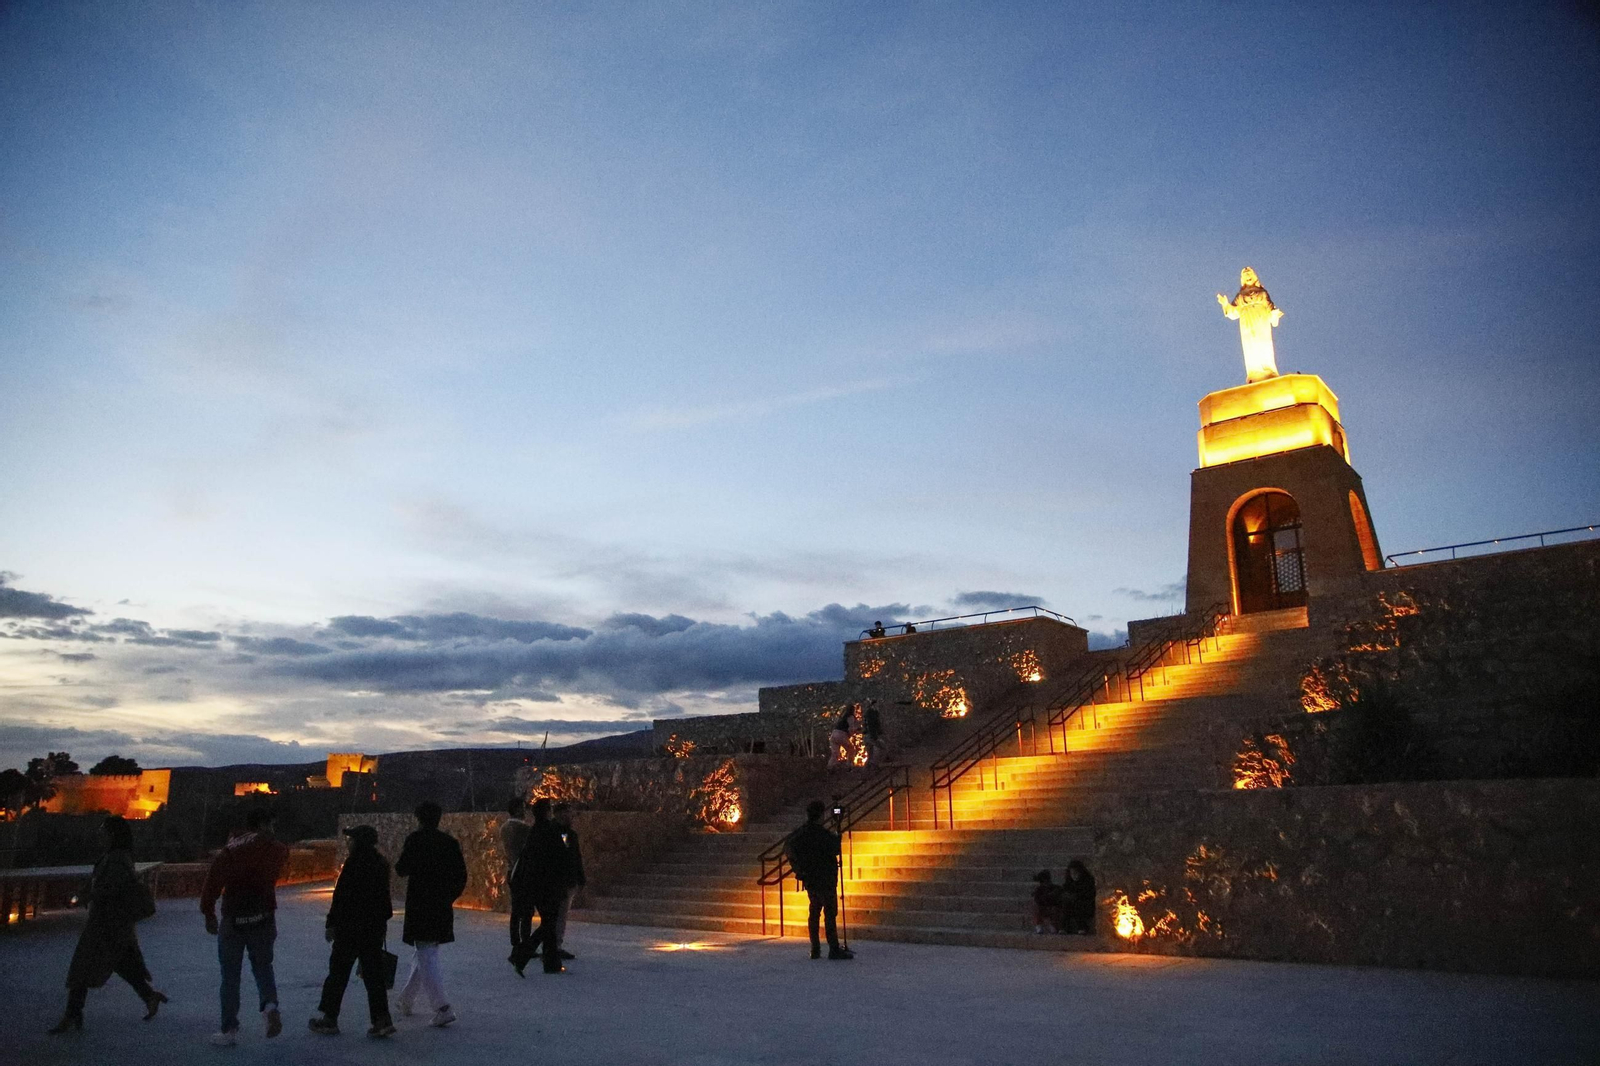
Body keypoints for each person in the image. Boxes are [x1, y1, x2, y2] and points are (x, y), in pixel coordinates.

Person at [48, 816, 167, 1034]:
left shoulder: (117, 860)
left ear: (113, 835)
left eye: (103, 831)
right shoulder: (114, 858)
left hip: (108, 923)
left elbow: (112, 888)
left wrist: (87, 896)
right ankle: (148, 996)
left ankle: (73, 1014)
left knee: (83, 967)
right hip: (110, 923)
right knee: (119, 962)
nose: (99, 835)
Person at [201, 807, 289, 1047]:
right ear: (262, 824)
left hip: (233, 918)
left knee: (230, 976)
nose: (273, 830)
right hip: (263, 917)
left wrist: (208, 913)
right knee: (263, 966)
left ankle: (229, 1029)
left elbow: (212, 882)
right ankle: (270, 1006)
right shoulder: (275, 848)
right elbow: (282, 855)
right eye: (271, 825)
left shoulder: (230, 850)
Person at [308, 825, 395, 1038]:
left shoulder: (353, 864)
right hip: (372, 929)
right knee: (374, 977)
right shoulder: (381, 864)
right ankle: (381, 1020)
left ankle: (329, 1018)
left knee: (338, 975)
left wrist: (331, 923)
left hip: (349, 929)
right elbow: (384, 902)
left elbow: (340, 898)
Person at [394, 801, 468, 1027]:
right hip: (441, 905)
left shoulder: (415, 840)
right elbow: (461, 876)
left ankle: (442, 1007)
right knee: (426, 951)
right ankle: (406, 999)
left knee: (425, 952)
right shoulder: (449, 843)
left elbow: (401, 869)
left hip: (420, 904)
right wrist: (448, 897)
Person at [509, 799, 573, 975]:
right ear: (547, 812)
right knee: (548, 924)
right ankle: (522, 955)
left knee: (549, 925)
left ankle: (551, 963)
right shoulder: (552, 831)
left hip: (535, 886)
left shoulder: (533, 832)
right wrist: (565, 832)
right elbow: (565, 849)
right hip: (550, 886)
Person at [784, 800, 853, 960]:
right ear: (821, 815)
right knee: (829, 913)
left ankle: (815, 948)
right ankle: (833, 948)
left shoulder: (801, 833)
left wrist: (799, 869)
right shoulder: (822, 834)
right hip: (825, 878)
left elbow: (789, 847)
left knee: (814, 911)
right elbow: (835, 849)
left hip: (810, 878)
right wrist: (838, 829)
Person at [499, 798, 532, 965]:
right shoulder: (523, 828)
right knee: (526, 911)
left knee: (516, 909)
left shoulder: (504, 828)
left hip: (512, 871)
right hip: (524, 872)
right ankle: (525, 943)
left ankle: (515, 941)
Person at [551, 803, 586, 961]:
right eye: (566, 813)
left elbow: (575, 857)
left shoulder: (570, 834)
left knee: (561, 915)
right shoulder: (553, 832)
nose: (570, 816)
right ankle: (552, 946)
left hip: (568, 881)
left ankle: (556, 944)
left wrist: (580, 877)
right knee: (556, 915)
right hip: (557, 881)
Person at [1061, 860, 1096, 935]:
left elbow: (1089, 894)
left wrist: (1077, 896)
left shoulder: (1087, 881)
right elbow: (1065, 890)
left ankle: (1082, 927)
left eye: (1076, 873)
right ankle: (1065, 927)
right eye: (1072, 873)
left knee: (1077, 904)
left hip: (1085, 904)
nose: (1074, 875)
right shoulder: (1069, 882)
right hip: (1071, 904)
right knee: (1066, 904)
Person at [1031, 870, 1064, 934]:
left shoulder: (1055, 888)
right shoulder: (1039, 890)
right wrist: (1046, 897)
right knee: (1036, 908)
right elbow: (1038, 900)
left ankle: (1053, 925)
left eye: (1047, 881)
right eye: (1044, 882)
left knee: (1055, 909)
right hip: (1043, 907)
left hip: (1053, 907)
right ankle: (1039, 925)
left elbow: (1060, 893)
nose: (1046, 883)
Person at [826, 706, 856, 771]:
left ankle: (830, 767)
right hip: (841, 734)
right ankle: (849, 766)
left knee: (835, 753)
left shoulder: (842, 717)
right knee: (851, 749)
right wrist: (851, 734)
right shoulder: (850, 717)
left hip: (833, 734)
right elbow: (851, 728)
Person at [863, 702, 886, 767]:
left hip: (868, 734)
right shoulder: (871, 713)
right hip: (870, 735)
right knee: (880, 747)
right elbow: (871, 725)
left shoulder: (871, 713)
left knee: (870, 752)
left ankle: (869, 767)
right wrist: (874, 735)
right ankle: (874, 764)